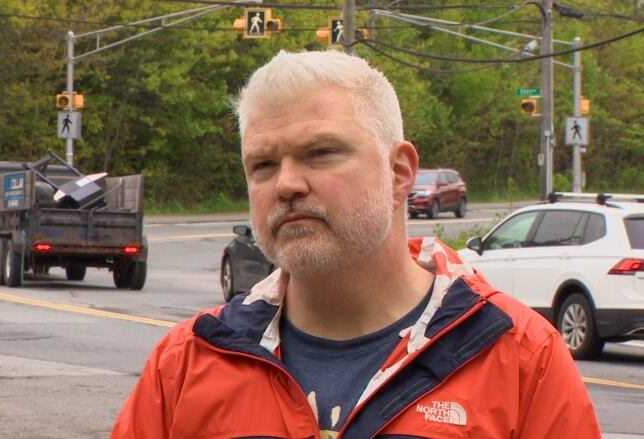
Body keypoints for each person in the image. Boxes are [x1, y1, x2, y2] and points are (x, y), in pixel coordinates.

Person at [111, 50, 601, 438]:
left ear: (399, 172)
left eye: (320, 153)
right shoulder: (186, 363)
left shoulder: (520, 358)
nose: (287, 184)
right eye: (262, 165)